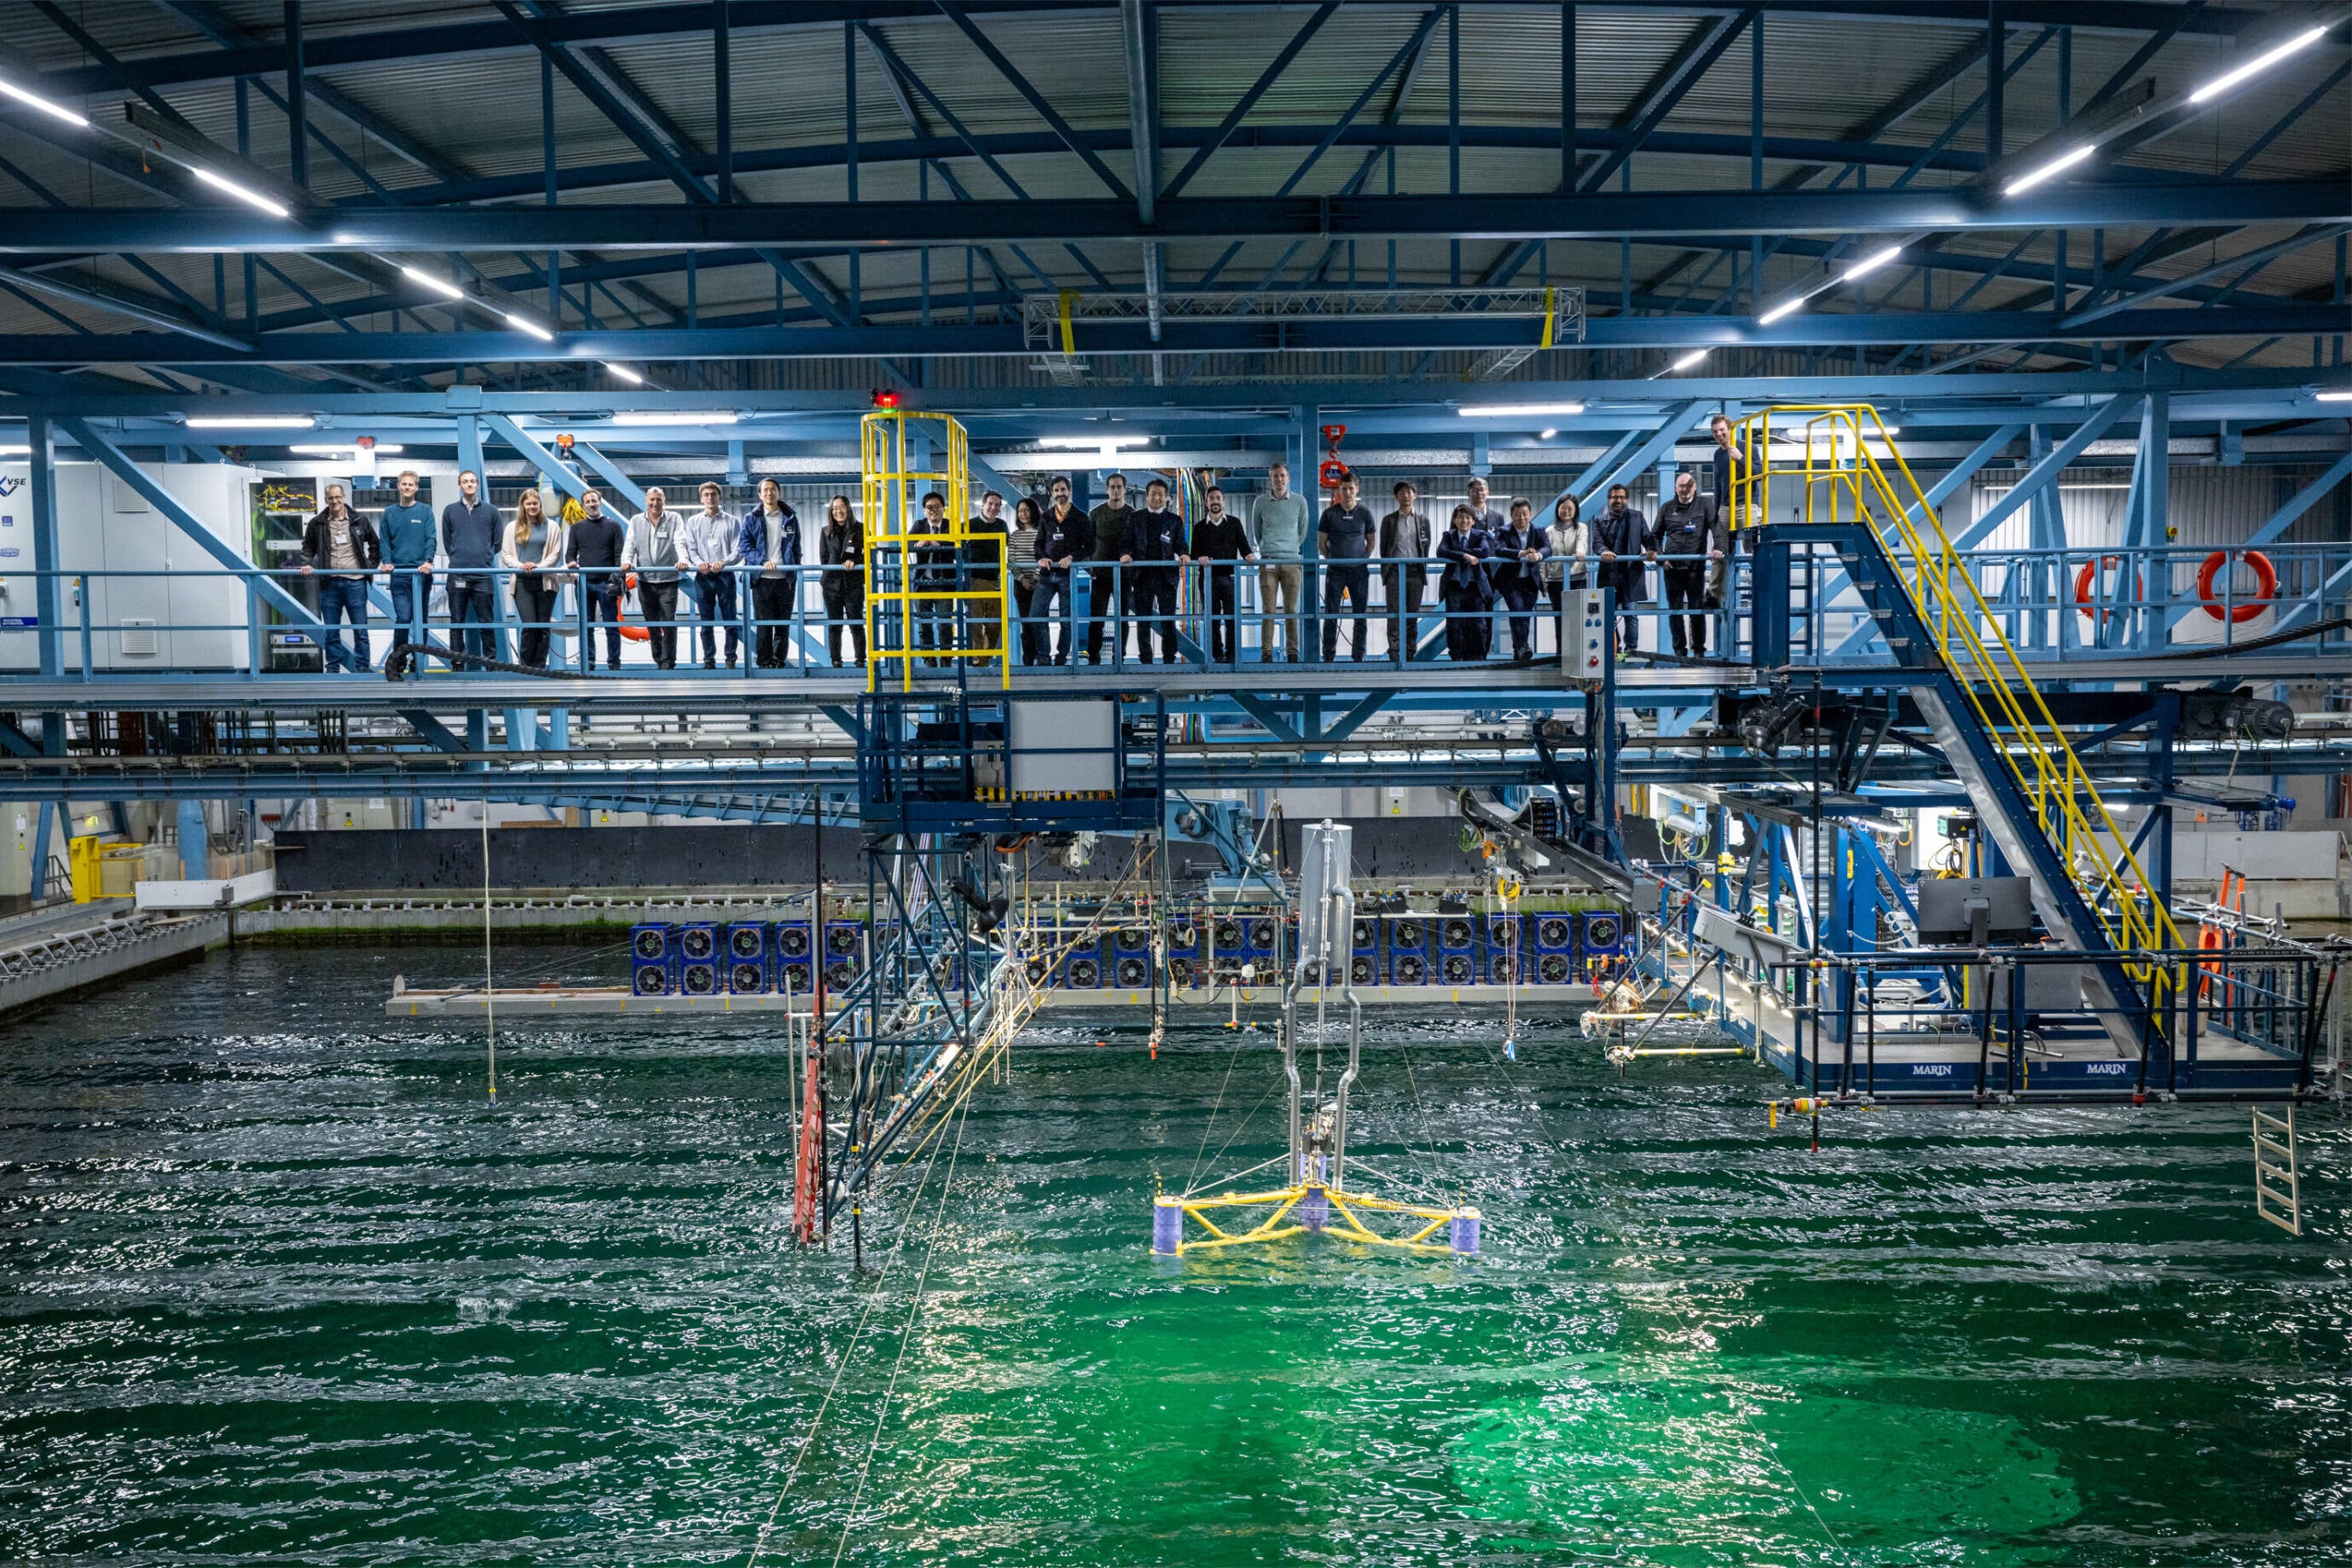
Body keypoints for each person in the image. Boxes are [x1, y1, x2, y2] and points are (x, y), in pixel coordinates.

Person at [299, 481, 379, 673]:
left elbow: (375, 545)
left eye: (337, 497)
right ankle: (333, 668)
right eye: (330, 498)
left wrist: (369, 567)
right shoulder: (317, 523)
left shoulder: (360, 521)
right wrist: (307, 563)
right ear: (326, 500)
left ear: (344, 498)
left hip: (356, 583)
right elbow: (307, 546)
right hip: (329, 583)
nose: (334, 501)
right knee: (332, 631)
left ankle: (362, 668)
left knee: (360, 630)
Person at [1653, 469, 1725, 657]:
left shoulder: (1705, 505)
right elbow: (1655, 536)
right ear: (1676, 488)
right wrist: (1661, 558)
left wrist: (1719, 548)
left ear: (1694, 488)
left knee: (1696, 609)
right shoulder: (1667, 508)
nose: (1684, 490)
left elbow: (1716, 527)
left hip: (1695, 567)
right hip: (1672, 568)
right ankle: (1679, 651)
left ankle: (1699, 651)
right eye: (1681, 486)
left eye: (1688, 486)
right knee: (1675, 610)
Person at [440, 468, 502, 666]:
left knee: (486, 620)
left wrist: (483, 556)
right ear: (460, 485)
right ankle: (457, 661)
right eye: (465, 481)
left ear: (477, 485)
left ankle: (490, 661)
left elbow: (498, 542)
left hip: (483, 575)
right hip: (457, 573)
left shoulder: (491, 511)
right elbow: (447, 540)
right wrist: (460, 557)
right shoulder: (450, 511)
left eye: (473, 481)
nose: (469, 484)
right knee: (457, 621)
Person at [740, 478, 805, 669]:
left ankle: (779, 660)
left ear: (779, 492)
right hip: (762, 580)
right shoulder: (751, 518)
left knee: (783, 624)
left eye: (773, 490)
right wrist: (762, 561)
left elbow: (796, 547)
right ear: (760, 495)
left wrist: (794, 569)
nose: (769, 493)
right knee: (764, 624)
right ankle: (764, 661)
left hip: (785, 580)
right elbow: (744, 547)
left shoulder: (790, 517)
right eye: (765, 490)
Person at [620, 487, 686, 669]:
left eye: (659, 499)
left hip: (668, 581)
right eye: (652, 500)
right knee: (652, 623)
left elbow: (680, 541)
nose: (655, 503)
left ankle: (668, 661)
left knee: (668, 621)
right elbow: (630, 545)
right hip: (645, 581)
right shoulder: (636, 521)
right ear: (646, 502)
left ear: (664, 501)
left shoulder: (674, 519)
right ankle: (658, 659)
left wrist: (683, 560)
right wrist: (626, 561)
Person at [1250, 462, 1310, 662]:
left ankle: (1292, 652)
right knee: (1268, 610)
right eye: (1275, 476)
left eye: (1282, 475)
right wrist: (1270, 548)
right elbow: (1257, 532)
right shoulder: (1260, 503)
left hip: (1292, 562)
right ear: (1270, 479)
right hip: (1268, 561)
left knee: (1291, 609)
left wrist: (1289, 549)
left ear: (1288, 478)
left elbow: (1302, 532)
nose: (1279, 479)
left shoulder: (1300, 502)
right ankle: (1266, 653)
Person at [1029, 477, 1092, 666]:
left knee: (1067, 620)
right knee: (1035, 617)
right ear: (1052, 493)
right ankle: (1044, 658)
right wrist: (1041, 557)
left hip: (1068, 575)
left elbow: (1089, 546)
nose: (1060, 494)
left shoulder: (1081, 517)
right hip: (1047, 575)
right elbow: (1038, 544)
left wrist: (1072, 557)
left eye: (1063, 490)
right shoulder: (1046, 517)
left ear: (1070, 491)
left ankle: (1061, 657)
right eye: (1056, 491)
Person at [501, 488, 565, 669]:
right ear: (523, 506)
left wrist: (539, 567)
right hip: (522, 582)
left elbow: (556, 553)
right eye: (528, 504)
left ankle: (540, 667)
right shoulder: (512, 527)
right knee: (530, 625)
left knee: (543, 626)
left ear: (540, 505)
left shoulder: (551, 526)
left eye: (535, 503)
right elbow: (506, 555)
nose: (532, 507)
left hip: (545, 582)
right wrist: (521, 566)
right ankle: (526, 666)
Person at [681, 480, 743, 669]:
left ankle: (730, 659)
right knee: (705, 622)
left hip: (725, 576)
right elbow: (691, 549)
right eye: (706, 495)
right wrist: (699, 563)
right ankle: (709, 659)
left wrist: (723, 562)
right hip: (703, 576)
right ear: (701, 499)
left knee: (730, 620)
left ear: (719, 497)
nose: (710, 498)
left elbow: (738, 550)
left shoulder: (732, 521)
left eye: (713, 495)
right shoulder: (693, 522)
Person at [1186, 484, 1250, 663]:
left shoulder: (1235, 523)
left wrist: (1249, 555)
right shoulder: (1199, 527)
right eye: (1211, 498)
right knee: (1212, 619)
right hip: (1208, 579)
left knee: (1232, 618)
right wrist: (1201, 558)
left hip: (1230, 578)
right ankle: (1217, 654)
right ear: (1206, 503)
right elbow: (1193, 554)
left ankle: (1232, 654)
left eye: (1218, 498)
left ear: (1224, 501)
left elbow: (1244, 547)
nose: (1215, 501)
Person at [377, 469, 435, 663]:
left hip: (421, 574)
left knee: (421, 620)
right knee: (403, 618)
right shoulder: (389, 513)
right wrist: (387, 562)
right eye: (404, 484)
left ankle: (418, 660)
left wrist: (428, 561)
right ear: (398, 486)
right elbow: (384, 541)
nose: (407, 487)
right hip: (399, 574)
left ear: (416, 488)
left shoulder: (425, 511)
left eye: (411, 484)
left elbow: (431, 538)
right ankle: (398, 660)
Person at [565, 488, 627, 670]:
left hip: (607, 584)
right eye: (588, 502)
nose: (592, 504)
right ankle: (588, 660)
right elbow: (570, 554)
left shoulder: (613, 526)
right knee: (586, 624)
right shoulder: (576, 528)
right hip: (584, 582)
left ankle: (614, 661)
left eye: (594, 500)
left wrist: (616, 579)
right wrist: (572, 567)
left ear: (600, 502)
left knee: (611, 623)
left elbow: (619, 555)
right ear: (584, 506)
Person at [1127, 477, 1185, 665]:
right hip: (1142, 576)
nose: (1157, 498)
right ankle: (1145, 659)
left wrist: (1184, 554)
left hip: (1166, 577)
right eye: (1153, 494)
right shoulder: (1135, 518)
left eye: (1161, 494)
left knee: (1168, 620)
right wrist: (1125, 554)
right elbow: (1125, 542)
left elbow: (1180, 544)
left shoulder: (1174, 520)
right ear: (1147, 496)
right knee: (1143, 620)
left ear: (1167, 497)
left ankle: (1169, 659)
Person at [1317, 476, 1376, 662]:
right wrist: (1333, 559)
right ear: (1339, 491)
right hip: (1336, 571)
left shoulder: (1365, 513)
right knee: (1331, 614)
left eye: (1351, 488)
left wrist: (1362, 559)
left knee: (1360, 615)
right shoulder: (1329, 514)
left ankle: (1358, 654)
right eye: (1344, 489)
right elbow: (1322, 543)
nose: (1348, 492)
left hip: (1359, 571)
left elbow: (1371, 541)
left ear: (1357, 489)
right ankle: (1328, 654)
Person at [1591, 483, 1652, 655]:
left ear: (1626, 499)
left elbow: (1647, 537)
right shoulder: (1599, 521)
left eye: (1621, 497)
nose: (1618, 500)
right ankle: (1614, 650)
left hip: (1630, 575)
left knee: (1631, 615)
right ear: (1609, 499)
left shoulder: (1637, 517)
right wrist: (1604, 551)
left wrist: (1652, 550)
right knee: (1607, 616)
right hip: (1608, 574)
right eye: (1614, 497)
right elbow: (1597, 542)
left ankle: (1631, 650)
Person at [1491, 497, 1550, 662]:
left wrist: (1538, 555)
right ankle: (1524, 646)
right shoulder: (1503, 531)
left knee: (1524, 614)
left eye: (1524, 514)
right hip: (1510, 581)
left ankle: (1519, 649)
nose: (1521, 518)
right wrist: (1521, 553)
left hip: (1530, 581)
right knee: (1518, 610)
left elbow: (1547, 548)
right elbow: (1498, 549)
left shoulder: (1538, 530)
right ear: (1511, 515)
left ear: (1530, 514)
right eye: (1517, 514)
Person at [1080, 473, 1133, 665]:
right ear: (1107, 490)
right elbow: (1086, 544)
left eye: (1119, 487)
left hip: (1124, 577)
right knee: (1097, 620)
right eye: (1112, 487)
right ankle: (1094, 659)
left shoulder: (1132, 514)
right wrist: (1091, 567)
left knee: (1123, 620)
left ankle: (1119, 657)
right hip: (1100, 576)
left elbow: (1137, 544)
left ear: (1125, 489)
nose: (1116, 490)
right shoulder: (1095, 514)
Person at [1435, 502, 1498, 662]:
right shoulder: (1448, 536)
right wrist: (1465, 557)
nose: (1464, 521)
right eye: (1460, 517)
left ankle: (1478, 657)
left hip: (1475, 586)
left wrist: (1458, 553)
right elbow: (1441, 551)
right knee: (1454, 624)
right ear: (1454, 520)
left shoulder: (1479, 535)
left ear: (1473, 520)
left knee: (1478, 624)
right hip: (1454, 586)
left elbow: (1485, 551)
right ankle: (1457, 656)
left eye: (1468, 518)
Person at [1380, 480, 1432, 660]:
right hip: (1395, 572)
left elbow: (1426, 546)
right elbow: (1384, 548)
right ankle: (1394, 652)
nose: (1406, 495)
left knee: (1412, 614)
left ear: (1415, 495)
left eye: (1410, 492)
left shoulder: (1423, 520)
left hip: (1415, 573)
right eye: (1402, 492)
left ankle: (1410, 652)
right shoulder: (1389, 520)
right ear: (1396, 497)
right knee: (1394, 614)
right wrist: (1386, 572)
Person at [911, 490, 958, 665]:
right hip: (923, 582)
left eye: (937, 507)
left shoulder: (950, 525)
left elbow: (957, 545)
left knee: (944, 623)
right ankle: (929, 659)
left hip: (944, 582)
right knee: (924, 624)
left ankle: (946, 658)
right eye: (929, 507)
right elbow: (907, 543)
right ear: (924, 510)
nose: (933, 511)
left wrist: (937, 543)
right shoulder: (919, 525)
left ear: (943, 509)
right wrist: (918, 543)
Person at [966, 489, 1010, 653]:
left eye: (997, 505)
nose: (993, 507)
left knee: (994, 623)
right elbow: (959, 550)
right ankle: (979, 660)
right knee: (975, 623)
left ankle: (987, 656)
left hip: (994, 581)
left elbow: (1009, 547)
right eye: (990, 503)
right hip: (974, 580)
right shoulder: (969, 525)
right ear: (983, 505)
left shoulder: (1002, 525)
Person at [1543, 494, 1589, 623]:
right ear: (1557, 509)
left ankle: (1576, 645)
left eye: (1570, 508)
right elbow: (1543, 558)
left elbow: (1582, 543)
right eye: (1563, 508)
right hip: (1555, 581)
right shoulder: (1548, 531)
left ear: (1575, 511)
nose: (1566, 511)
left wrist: (1580, 553)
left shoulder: (1581, 528)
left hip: (1577, 579)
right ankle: (1560, 645)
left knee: (1577, 618)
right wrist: (1543, 583)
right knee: (1559, 618)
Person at [1007, 495, 1043, 664]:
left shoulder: (1042, 532)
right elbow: (1011, 560)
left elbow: (1044, 556)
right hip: (1020, 584)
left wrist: (1035, 578)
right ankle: (1028, 658)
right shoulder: (1014, 535)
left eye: (1027, 510)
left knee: (1039, 621)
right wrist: (1022, 579)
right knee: (1025, 622)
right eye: (1020, 510)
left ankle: (1043, 656)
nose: (1023, 514)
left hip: (1040, 583)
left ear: (1033, 512)